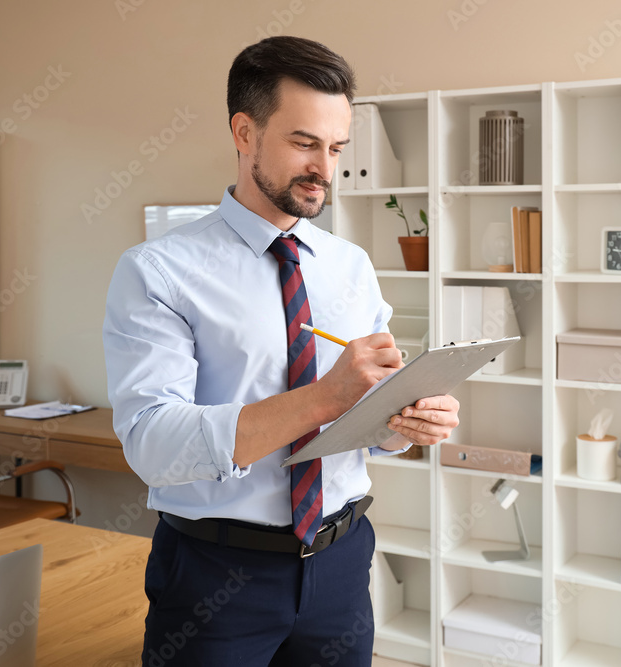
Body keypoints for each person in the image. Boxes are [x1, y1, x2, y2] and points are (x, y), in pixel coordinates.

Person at [103, 36, 458, 666]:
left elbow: (366, 422)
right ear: (244, 132)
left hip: (341, 563)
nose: (326, 166)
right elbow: (152, 444)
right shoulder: (158, 271)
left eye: (337, 147)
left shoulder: (351, 267)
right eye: (304, 142)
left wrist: (405, 423)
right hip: (214, 577)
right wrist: (326, 395)